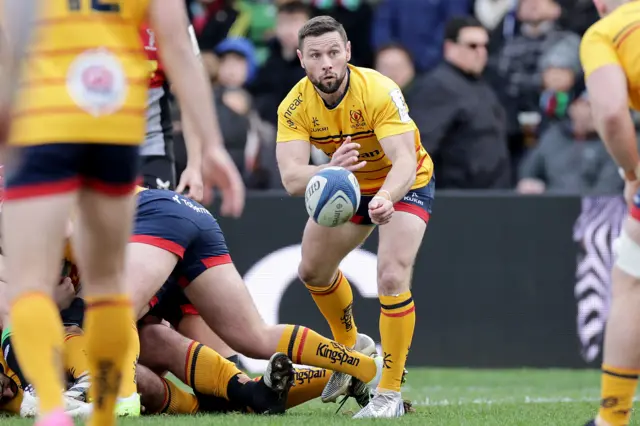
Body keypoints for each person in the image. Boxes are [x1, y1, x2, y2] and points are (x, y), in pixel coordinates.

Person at [0, 2, 243, 426]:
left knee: (30, 283)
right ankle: (106, 410)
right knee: (108, 284)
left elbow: (9, 54)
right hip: (111, 128)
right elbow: (180, 51)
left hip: (44, 124)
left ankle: (51, 408)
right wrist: (212, 145)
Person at [275, 16, 434, 418]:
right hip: (348, 190)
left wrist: (386, 196)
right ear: (301, 60)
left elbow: (402, 161)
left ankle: (390, 394)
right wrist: (327, 168)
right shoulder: (293, 106)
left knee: (392, 276)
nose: (326, 62)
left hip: (405, 184)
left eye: (333, 52)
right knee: (312, 271)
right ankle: (351, 351)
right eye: (315, 55)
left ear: (347, 52)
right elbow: (292, 178)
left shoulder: (379, 90)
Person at [580, 1, 640, 425]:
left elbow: (613, 114)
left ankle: (613, 417)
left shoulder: (606, 32)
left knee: (631, 283)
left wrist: (631, 171)